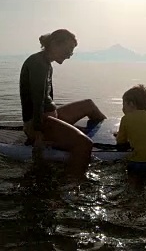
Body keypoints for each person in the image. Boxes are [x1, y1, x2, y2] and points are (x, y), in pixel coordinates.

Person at [19, 28, 107, 179]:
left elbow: (48, 97)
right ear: (55, 44)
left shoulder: (46, 63)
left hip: (51, 118)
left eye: (72, 51)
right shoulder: (37, 64)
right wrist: (38, 134)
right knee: (84, 144)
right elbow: (37, 100)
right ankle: (72, 184)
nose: (70, 55)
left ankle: (115, 132)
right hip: (40, 124)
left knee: (89, 105)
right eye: (69, 49)